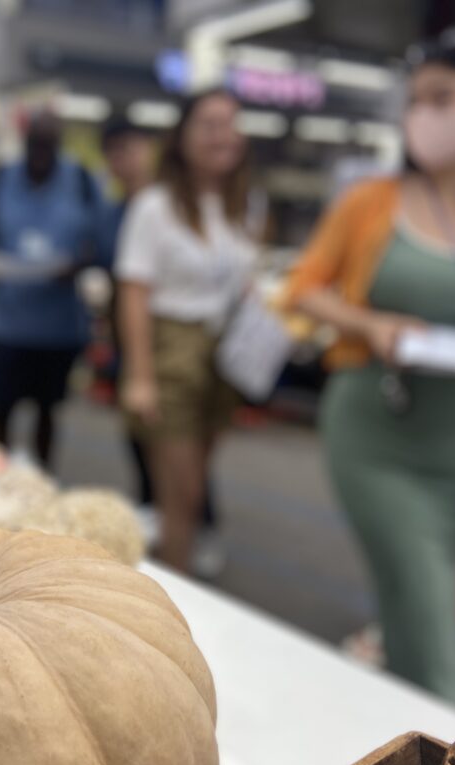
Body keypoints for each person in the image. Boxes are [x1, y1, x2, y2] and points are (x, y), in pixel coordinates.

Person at [286, 37, 455, 704]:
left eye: (443, 98)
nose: (424, 115)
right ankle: (444, 734)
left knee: (422, 602)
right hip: (376, 431)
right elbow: (303, 289)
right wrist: (370, 325)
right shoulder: (373, 202)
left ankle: (395, 729)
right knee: (430, 622)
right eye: (416, 101)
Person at [116, 89, 259, 574]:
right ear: (182, 136)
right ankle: (172, 600)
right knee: (180, 494)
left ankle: (173, 582)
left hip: (224, 352)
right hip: (171, 349)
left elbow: (243, 280)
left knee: (196, 485)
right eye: (211, 124)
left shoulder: (242, 204)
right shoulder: (154, 206)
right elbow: (133, 293)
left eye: (232, 123)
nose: (225, 135)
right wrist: (139, 376)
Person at [0, 110, 102, 469]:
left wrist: (78, 264)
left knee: (48, 413)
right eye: (35, 143)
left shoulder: (83, 180)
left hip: (58, 327)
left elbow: (101, 243)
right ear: (25, 142)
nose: (41, 152)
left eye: (48, 144)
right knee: (0, 411)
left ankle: (41, 480)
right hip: (6, 324)